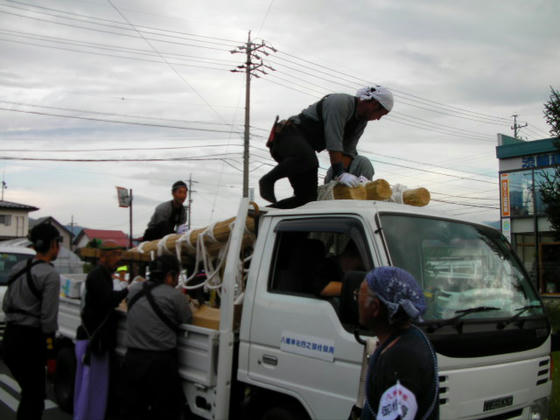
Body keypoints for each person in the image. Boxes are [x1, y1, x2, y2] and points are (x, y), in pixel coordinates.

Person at [259, 85, 393, 209]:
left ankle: (260, 216)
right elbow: (333, 142)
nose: (378, 118)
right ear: (374, 104)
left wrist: (347, 178)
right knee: (308, 159)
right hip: (287, 136)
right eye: (381, 114)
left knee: (308, 200)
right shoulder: (341, 103)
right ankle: (268, 180)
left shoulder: (360, 122)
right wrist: (339, 174)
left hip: (303, 154)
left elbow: (347, 151)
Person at [356, 267, 438, 420]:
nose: (356, 300)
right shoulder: (409, 338)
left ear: (374, 307)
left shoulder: (401, 361)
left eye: (359, 294)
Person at [2, 223, 62, 420]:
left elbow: (6, 304)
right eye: (58, 242)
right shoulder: (50, 275)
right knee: (34, 397)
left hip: (10, 339)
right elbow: (48, 319)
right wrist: (51, 354)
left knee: (30, 394)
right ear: (52, 244)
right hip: (30, 342)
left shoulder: (19, 267)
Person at [122, 254, 192, 420]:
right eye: (176, 276)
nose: (176, 281)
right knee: (164, 411)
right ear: (169, 275)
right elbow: (187, 319)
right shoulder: (175, 296)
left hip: (132, 360)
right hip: (160, 365)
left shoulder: (134, 289)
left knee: (133, 409)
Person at [73, 240, 129, 420]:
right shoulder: (97, 275)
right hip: (94, 340)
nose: (119, 259)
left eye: (120, 255)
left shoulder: (103, 274)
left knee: (96, 386)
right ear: (104, 256)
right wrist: (128, 290)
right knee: (92, 386)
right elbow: (108, 300)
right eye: (116, 255)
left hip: (97, 340)